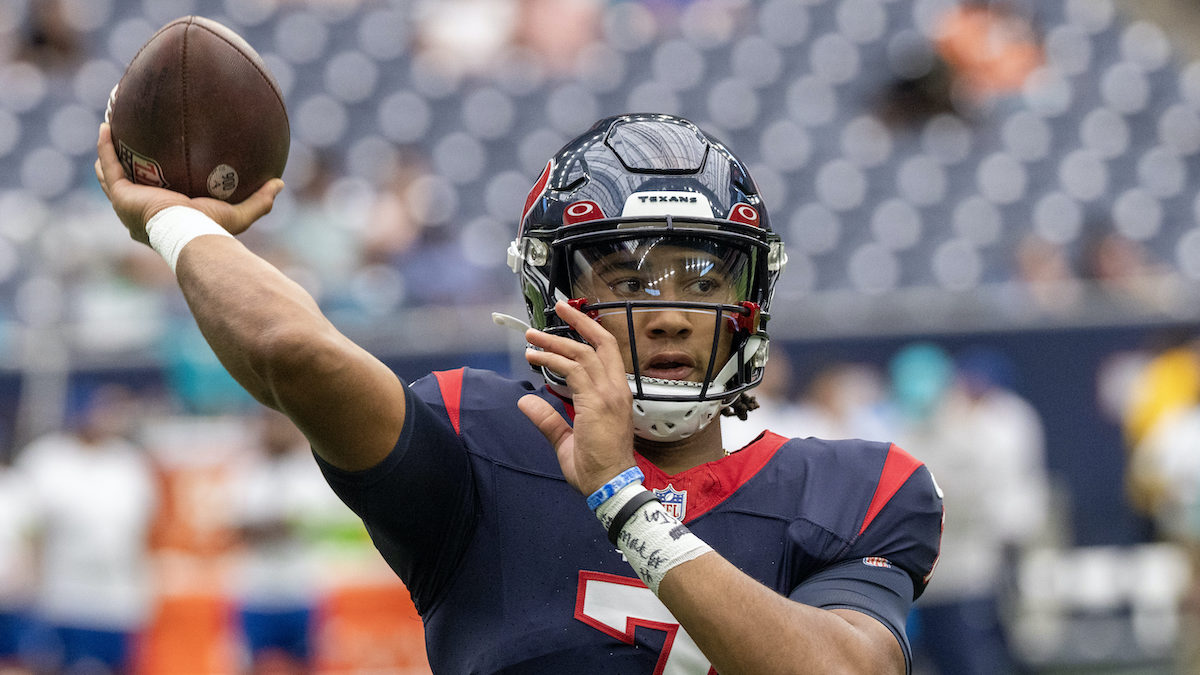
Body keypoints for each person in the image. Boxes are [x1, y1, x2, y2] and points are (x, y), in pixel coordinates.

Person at [94, 113, 943, 673]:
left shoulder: (859, 489)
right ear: (553, 298)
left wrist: (623, 501)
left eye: (704, 276)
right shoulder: (481, 440)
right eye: (628, 276)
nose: (673, 313)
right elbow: (294, 350)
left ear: (750, 299)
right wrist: (177, 223)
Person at [14, 384, 159, 674]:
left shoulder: (129, 462)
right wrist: (31, 589)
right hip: (62, 598)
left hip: (118, 599)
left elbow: (143, 530)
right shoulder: (47, 458)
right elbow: (28, 530)